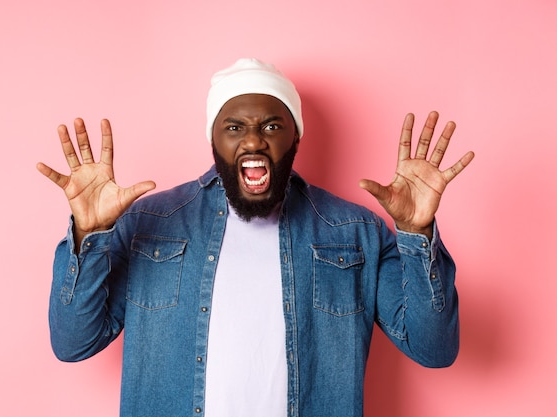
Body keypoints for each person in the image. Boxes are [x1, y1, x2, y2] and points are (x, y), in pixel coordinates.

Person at [37, 58, 474, 417]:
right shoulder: (149, 224)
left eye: (270, 126)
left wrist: (416, 233)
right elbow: (74, 342)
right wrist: (90, 235)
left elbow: (434, 349)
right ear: (212, 137)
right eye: (233, 128)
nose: (253, 141)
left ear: (295, 135)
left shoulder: (356, 231)